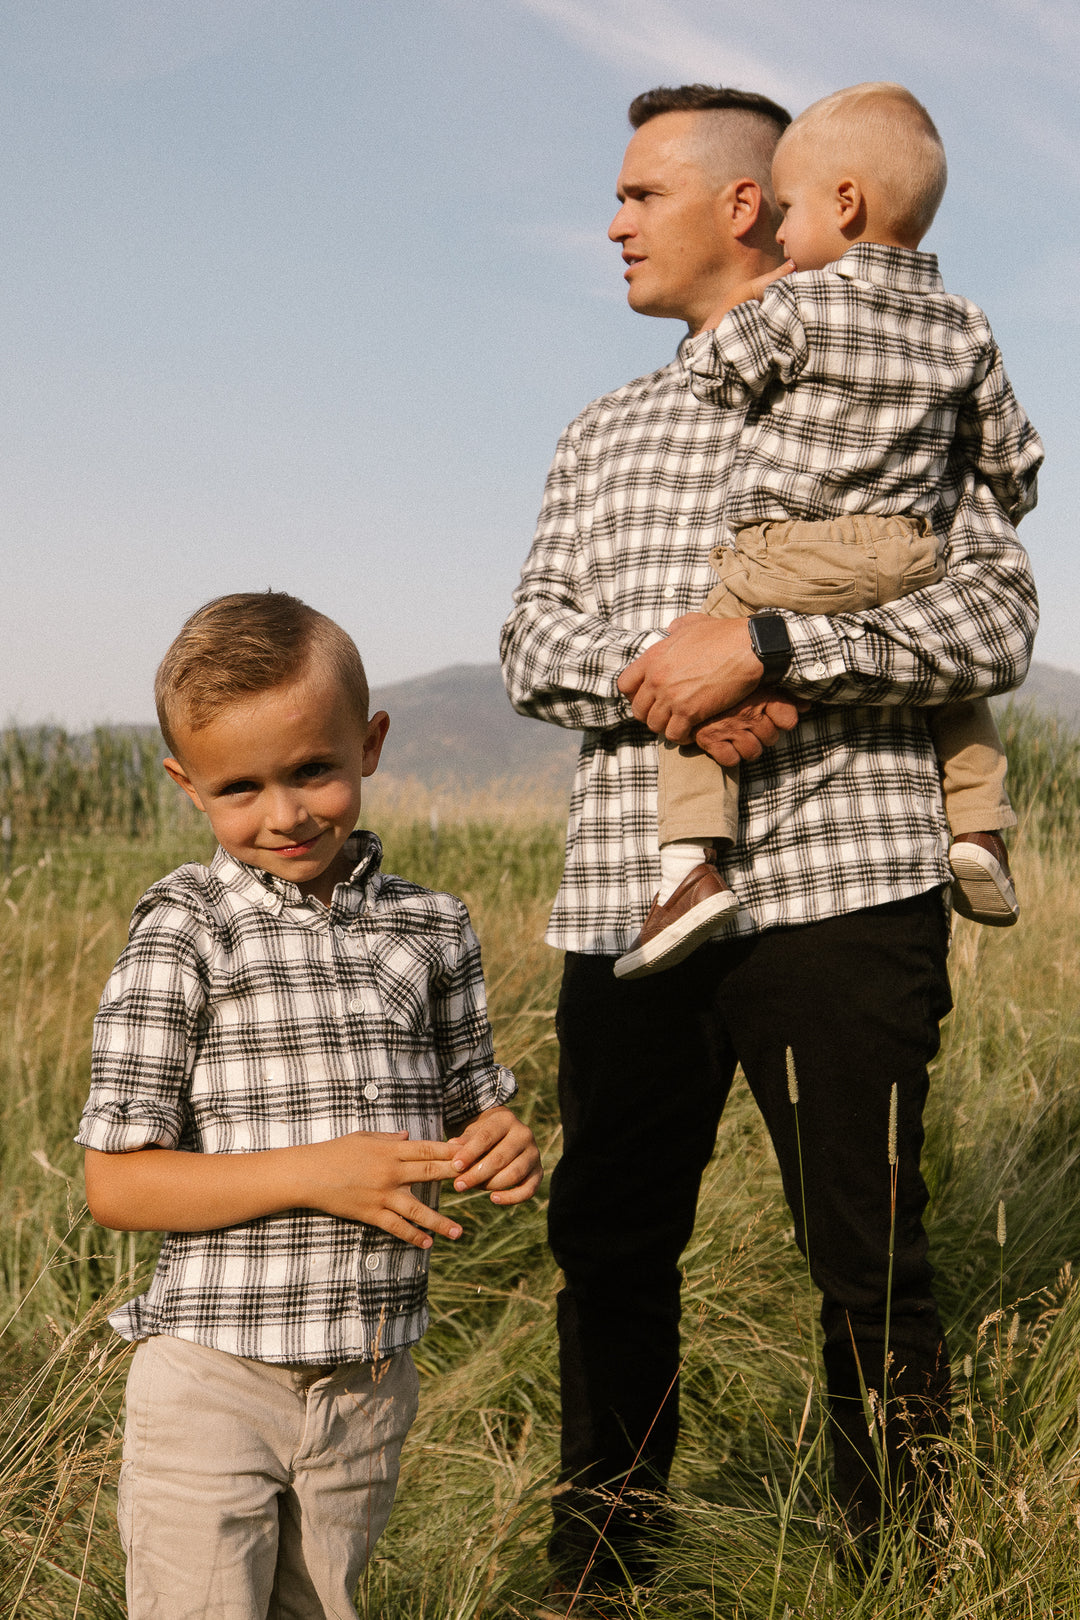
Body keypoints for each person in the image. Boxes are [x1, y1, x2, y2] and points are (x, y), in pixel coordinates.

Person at [500, 83, 1037, 1603]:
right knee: (609, 1244)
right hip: (633, 894)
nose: (609, 224)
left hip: (850, 884)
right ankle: (602, 1562)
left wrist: (778, 650)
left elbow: (998, 614)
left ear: (750, 206)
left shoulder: (912, 392)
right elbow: (530, 637)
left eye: (637, 195)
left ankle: (902, 1569)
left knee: (869, 1259)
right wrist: (664, 678)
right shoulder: (601, 434)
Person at [78, 592, 541, 1620]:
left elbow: (476, 1109)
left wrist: (501, 1146)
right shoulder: (187, 932)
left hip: (368, 1379)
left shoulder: (433, 929)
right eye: (239, 788)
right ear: (186, 784)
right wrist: (317, 1173)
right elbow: (115, 1182)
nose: (284, 813)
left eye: (312, 771)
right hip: (213, 1375)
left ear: (368, 745)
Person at [617, 82, 1042, 980]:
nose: (783, 232)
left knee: (695, 641)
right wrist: (977, 485)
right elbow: (1012, 453)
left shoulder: (801, 304)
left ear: (842, 204)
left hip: (787, 551)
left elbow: (718, 376)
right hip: (907, 545)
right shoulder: (965, 323)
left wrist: (760, 301)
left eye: (789, 211)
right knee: (952, 691)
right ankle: (978, 831)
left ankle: (689, 865)